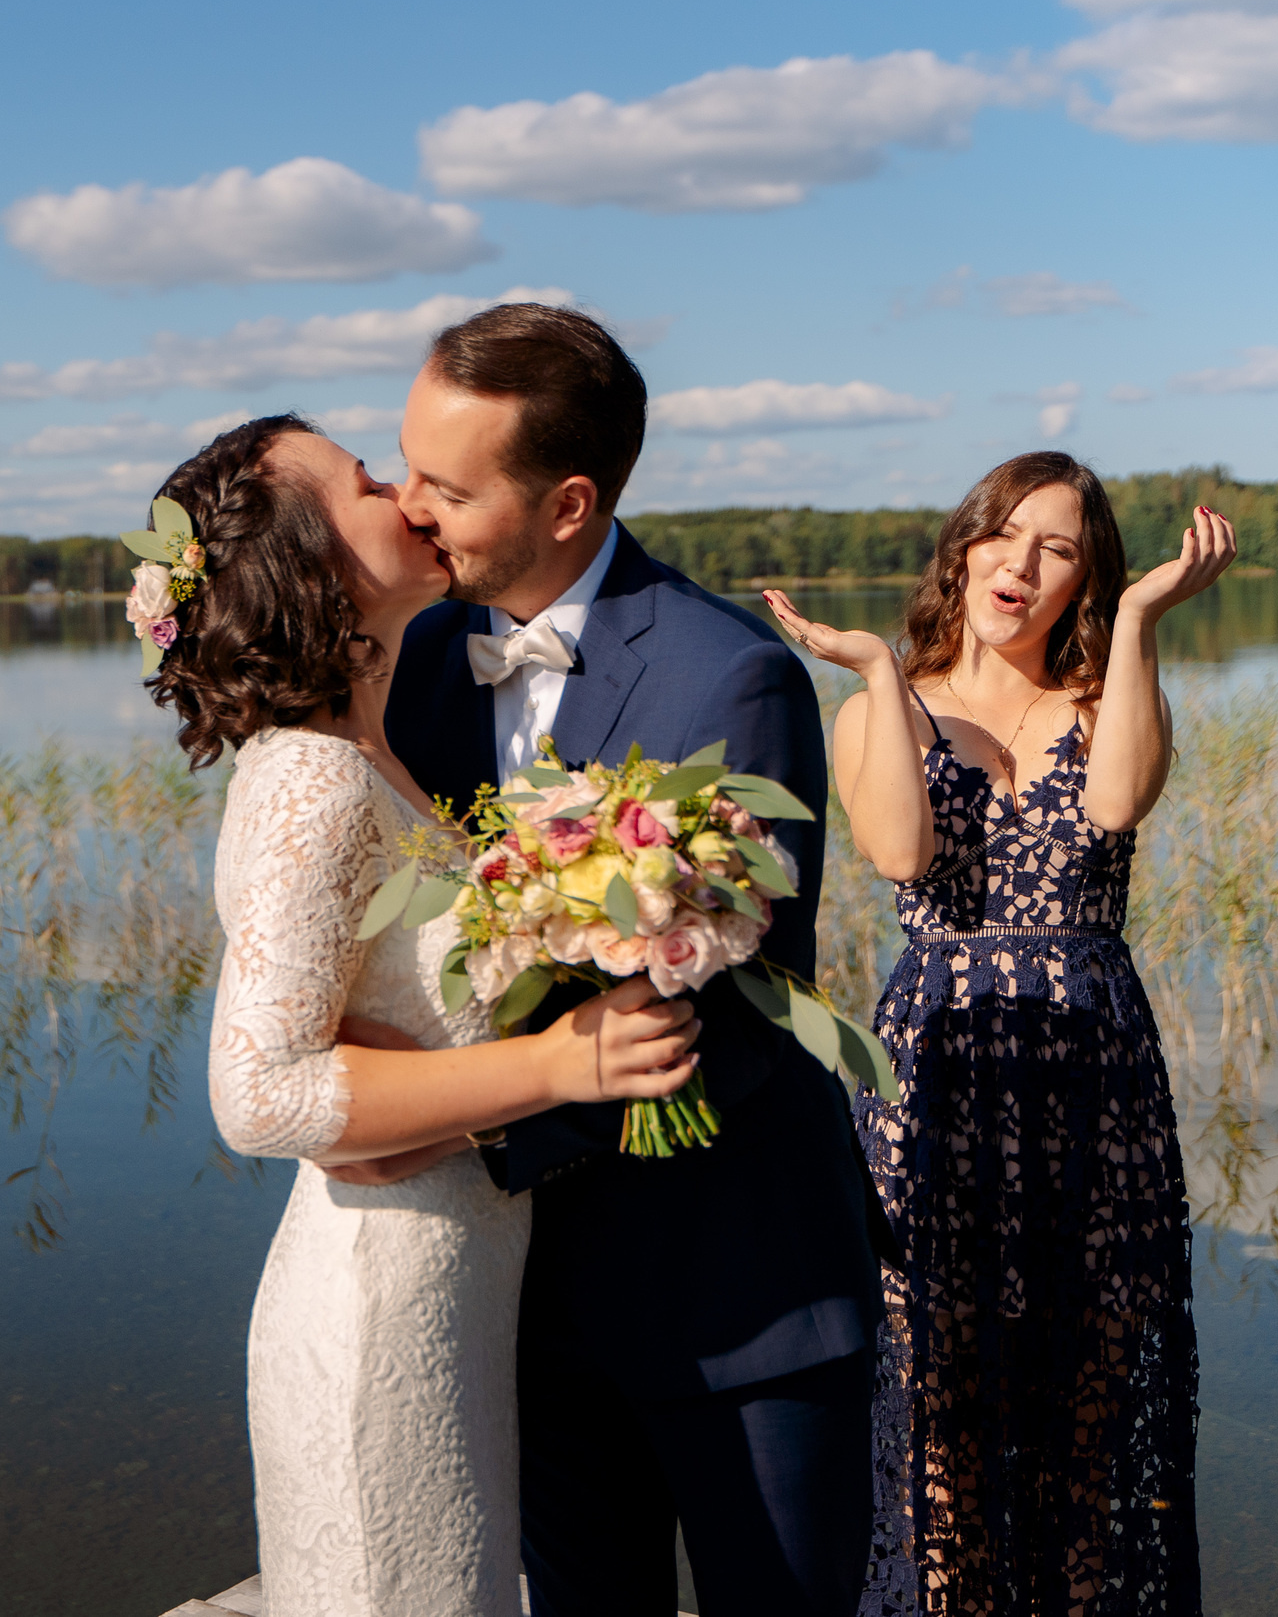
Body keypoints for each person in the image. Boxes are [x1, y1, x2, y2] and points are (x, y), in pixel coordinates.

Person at [142, 412, 704, 1617]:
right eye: (361, 484)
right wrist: (561, 1067)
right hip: (375, 1312)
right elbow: (261, 1091)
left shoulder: (371, 751)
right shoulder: (312, 779)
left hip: (442, 1292)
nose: (404, 492)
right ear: (311, 560)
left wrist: (447, 1110)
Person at [384, 304, 889, 1617]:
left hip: (742, 1295)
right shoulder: (419, 662)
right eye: (403, 466)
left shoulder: (733, 676)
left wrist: (451, 1127)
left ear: (567, 503)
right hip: (532, 1308)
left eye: (446, 484)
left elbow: (728, 1021)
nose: (408, 507)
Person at [762, 454, 1232, 1616]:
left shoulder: (1107, 692)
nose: (1021, 565)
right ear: (963, 545)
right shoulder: (879, 703)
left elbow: (1115, 801)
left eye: (1060, 549)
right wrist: (877, 669)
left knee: (1090, 1397)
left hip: (1092, 1070)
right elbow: (899, 856)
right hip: (938, 1064)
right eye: (1004, 535)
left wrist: (1138, 619)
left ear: (1085, 577)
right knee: (940, 1392)